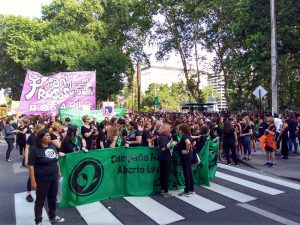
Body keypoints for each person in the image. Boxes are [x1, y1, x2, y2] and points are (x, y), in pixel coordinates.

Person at [28, 129, 65, 225]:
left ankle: (52, 216)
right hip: (42, 179)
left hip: (53, 177)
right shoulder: (34, 150)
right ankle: (38, 220)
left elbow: (56, 159)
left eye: (49, 135)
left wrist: (59, 171)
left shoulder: (52, 146)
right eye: (47, 135)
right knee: (40, 200)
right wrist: (33, 181)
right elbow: (31, 166)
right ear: (41, 138)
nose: (49, 137)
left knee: (52, 197)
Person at [24, 123, 45, 202]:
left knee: (39, 176)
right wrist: (26, 160)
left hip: (40, 160)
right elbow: (26, 148)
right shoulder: (31, 137)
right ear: (37, 129)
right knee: (31, 177)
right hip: (32, 159)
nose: (43, 131)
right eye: (41, 129)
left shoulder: (42, 138)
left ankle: (38, 192)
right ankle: (28, 194)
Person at [177, 123, 194, 197]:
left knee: (186, 173)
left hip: (185, 157)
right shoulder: (188, 135)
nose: (178, 131)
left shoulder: (184, 136)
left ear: (182, 130)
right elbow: (192, 142)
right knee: (189, 172)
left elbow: (188, 142)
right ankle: (191, 189)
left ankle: (187, 190)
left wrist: (186, 150)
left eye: (179, 129)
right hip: (188, 156)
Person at [158, 124, 173, 197]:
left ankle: (162, 189)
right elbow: (163, 148)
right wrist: (171, 144)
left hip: (162, 157)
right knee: (165, 174)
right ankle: (165, 191)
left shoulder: (161, 136)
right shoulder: (164, 137)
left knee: (163, 174)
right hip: (165, 157)